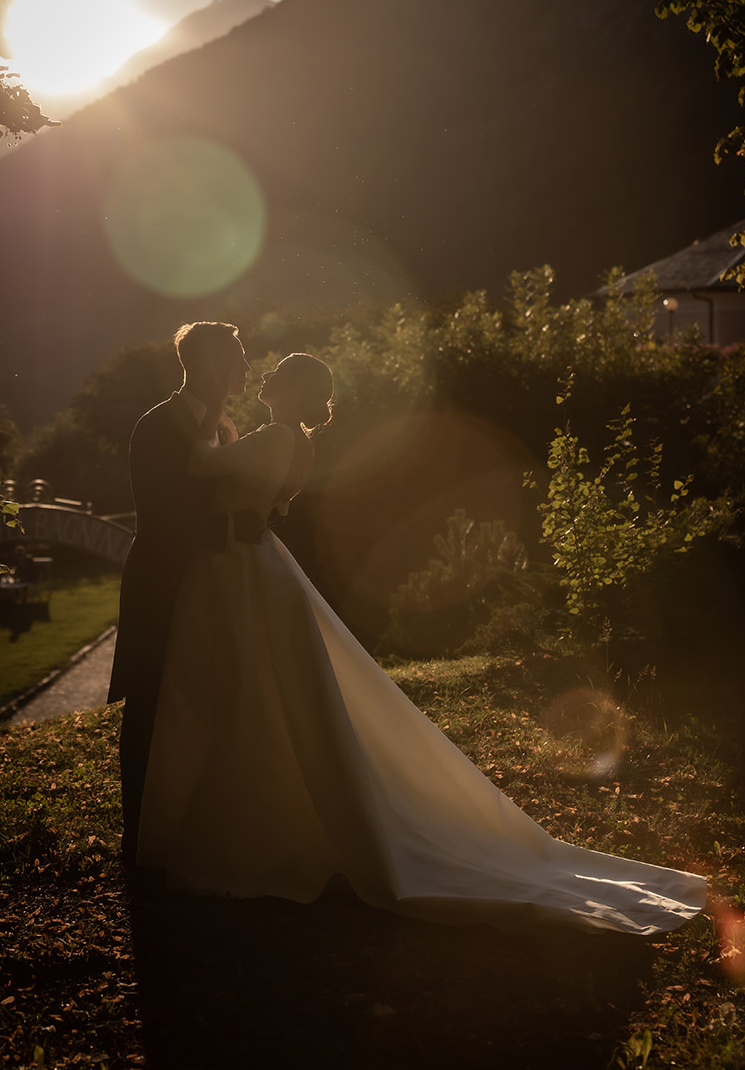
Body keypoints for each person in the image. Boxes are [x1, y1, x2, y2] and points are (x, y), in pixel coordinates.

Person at [137, 353, 706, 936]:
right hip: (255, 564)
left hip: (243, 570)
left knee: (256, 686)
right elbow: (271, 502)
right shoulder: (292, 442)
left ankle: (252, 829)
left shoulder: (274, 438)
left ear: (295, 391)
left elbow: (200, 465)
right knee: (265, 684)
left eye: (276, 376)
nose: (263, 378)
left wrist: (210, 421)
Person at [108, 321, 265, 863]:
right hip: (163, 585)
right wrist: (236, 530)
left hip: (215, 585)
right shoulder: (156, 427)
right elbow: (164, 518)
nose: (246, 366)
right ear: (202, 364)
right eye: (237, 356)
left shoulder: (223, 425)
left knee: (210, 701)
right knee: (151, 703)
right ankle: (140, 838)